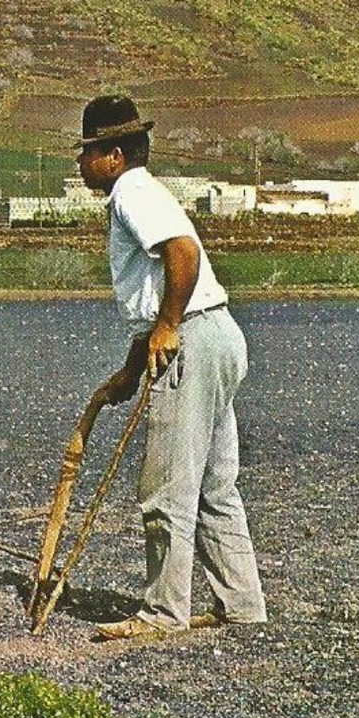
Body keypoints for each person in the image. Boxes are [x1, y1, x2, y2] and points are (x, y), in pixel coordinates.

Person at [75, 94, 268, 641]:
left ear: (113, 155)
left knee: (167, 487)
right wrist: (130, 372)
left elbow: (183, 254)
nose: (81, 163)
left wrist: (168, 328)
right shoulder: (142, 191)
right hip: (217, 335)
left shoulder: (131, 191)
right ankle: (242, 605)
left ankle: (163, 613)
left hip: (195, 338)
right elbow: (154, 298)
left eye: (88, 152)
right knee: (214, 486)